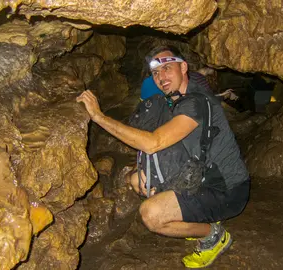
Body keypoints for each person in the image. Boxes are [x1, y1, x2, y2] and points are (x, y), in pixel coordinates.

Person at [77, 45, 250, 268]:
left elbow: (153, 143)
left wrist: (99, 117)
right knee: (138, 180)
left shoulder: (196, 102)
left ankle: (213, 235)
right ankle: (197, 215)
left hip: (228, 189)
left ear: (183, 67)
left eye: (167, 68)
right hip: (201, 174)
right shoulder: (179, 96)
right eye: (156, 73)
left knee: (152, 214)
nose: (161, 77)